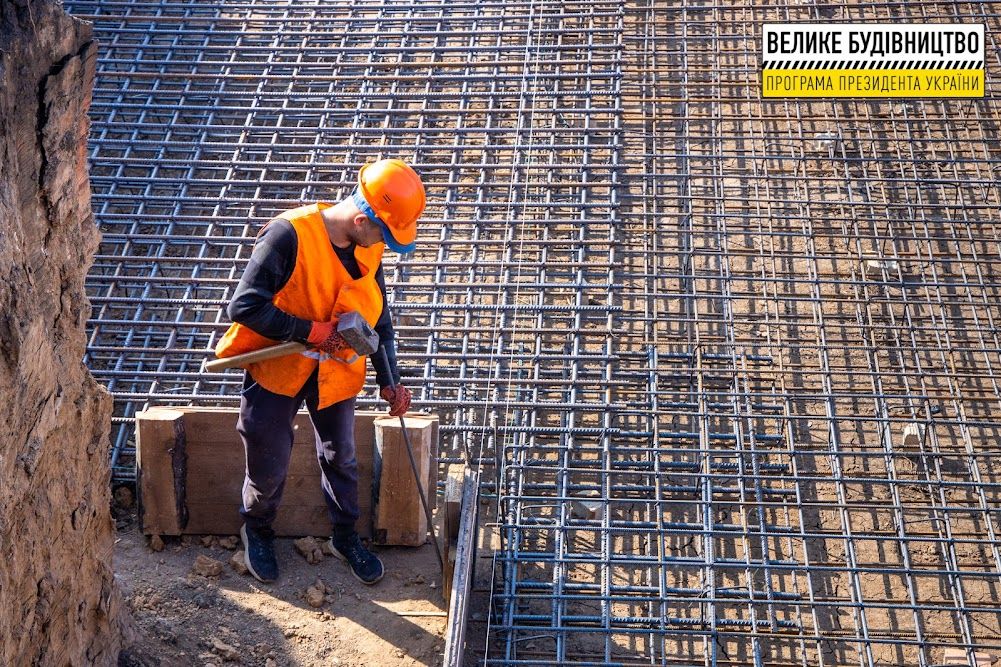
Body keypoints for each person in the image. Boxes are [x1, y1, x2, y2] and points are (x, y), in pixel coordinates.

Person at [214, 159, 424, 585]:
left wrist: (390, 378)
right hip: (279, 364)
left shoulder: (369, 245)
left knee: (340, 456)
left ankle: (344, 537)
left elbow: (377, 319)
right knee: (268, 457)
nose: (382, 242)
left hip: (338, 370)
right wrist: (312, 331)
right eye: (382, 232)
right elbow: (244, 306)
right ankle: (256, 529)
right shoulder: (288, 235)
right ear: (363, 218)